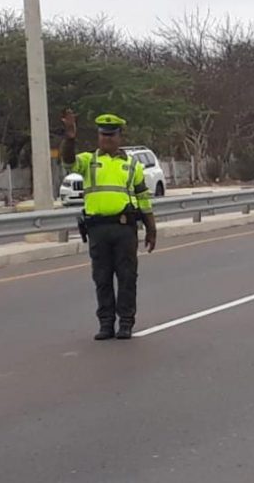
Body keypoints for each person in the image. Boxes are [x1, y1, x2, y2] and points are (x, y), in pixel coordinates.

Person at [60, 111, 157, 341]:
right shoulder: (88, 161)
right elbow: (68, 161)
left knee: (127, 277)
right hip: (98, 230)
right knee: (101, 278)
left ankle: (125, 323)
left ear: (119, 137)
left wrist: (151, 228)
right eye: (103, 135)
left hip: (124, 229)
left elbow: (143, 198)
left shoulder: (132, 165)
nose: (107, 139)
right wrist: (70, 138)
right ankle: (106, 324)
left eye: (111, 135)